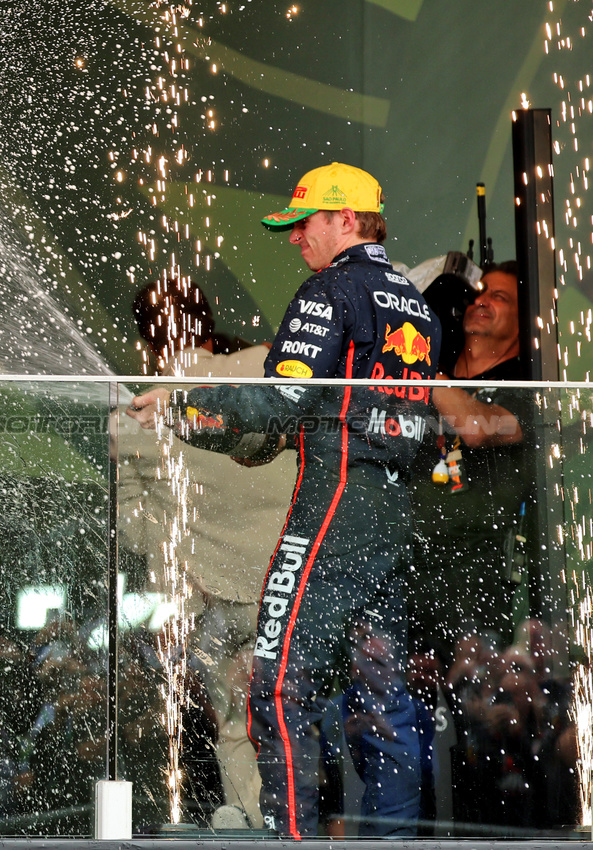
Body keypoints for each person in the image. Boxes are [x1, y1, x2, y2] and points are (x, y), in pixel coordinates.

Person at [126, 162, 441, 837]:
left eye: (305, 223)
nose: (296, 238)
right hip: (390, 510)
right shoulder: (415, 306)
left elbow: (281, 399)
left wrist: (182, 407)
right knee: (385, 695)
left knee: (274, 682)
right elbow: (355, 413)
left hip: (332, 503)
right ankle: (393, 842)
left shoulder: (330, 289)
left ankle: (288, 838)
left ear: (346, 220)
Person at [116, 279, 294, 827]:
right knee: (296, 714)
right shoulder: (267, 368)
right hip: (287, 581)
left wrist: (185, 549)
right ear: (209, 327)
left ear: (148, 345)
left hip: (206, 599)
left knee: (235, 723)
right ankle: (301, 824)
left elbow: (133, 529)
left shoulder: (134, 417)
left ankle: (254, 823)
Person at [408, 262, 533, 662]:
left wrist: (420, 371)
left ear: (524, 321)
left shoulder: (530, 385)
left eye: (499, 297)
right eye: (480, 294)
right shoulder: (435, 372)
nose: (481, 302)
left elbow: (477, 427)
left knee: (472, 695)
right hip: (404, 569)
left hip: (475, 586)